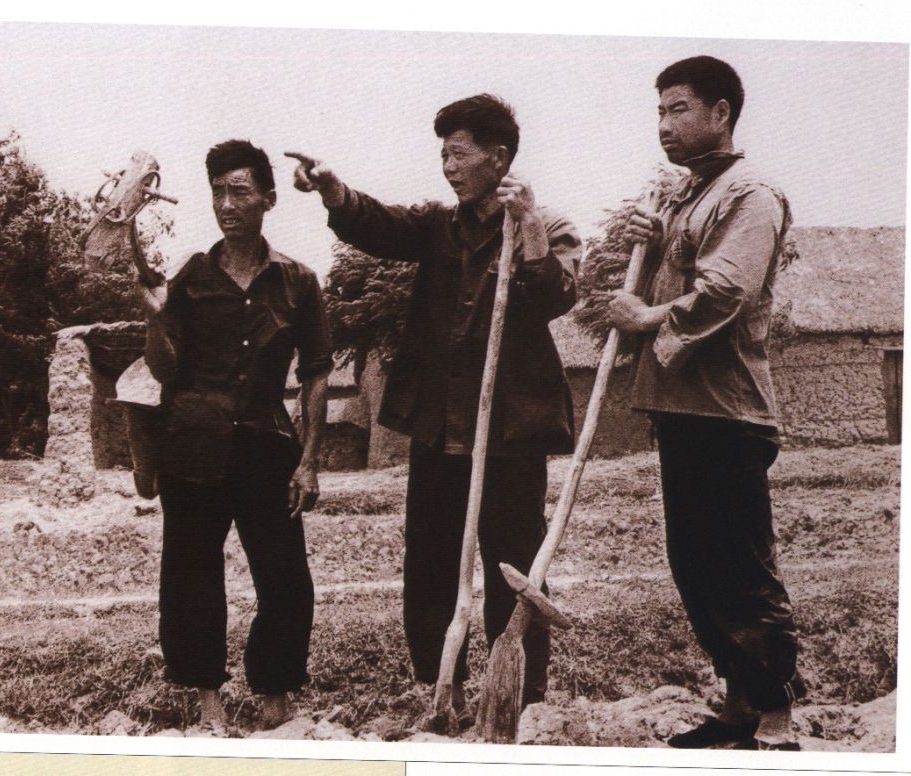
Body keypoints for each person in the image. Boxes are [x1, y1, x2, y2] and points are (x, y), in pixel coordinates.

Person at [286, 94, 581, 720]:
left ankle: (519, 695)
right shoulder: (438, 225)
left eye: (459, 154)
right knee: (430, 561)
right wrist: (334, 190)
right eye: (443, 154)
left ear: (498, 158)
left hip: (508, 431)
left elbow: (554, 298)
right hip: (439, 426)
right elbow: (379, 225)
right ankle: (440, 687)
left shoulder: (547, 225)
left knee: (514, 561)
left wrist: (528, 227)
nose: (448, 167)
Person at [607, 56, 805, 750]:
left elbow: (726, 290)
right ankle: (737, 705)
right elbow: (681, 277)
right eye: (659, 112)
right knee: (695, 564)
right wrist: (655, 243)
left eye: (679, 109)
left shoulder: (750, 194)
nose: (665, 124)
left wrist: (644, 317)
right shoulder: (687, 199)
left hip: (729, 411)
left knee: (740, 565)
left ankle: (775, 713)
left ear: (721, 113)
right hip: (684, 408)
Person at [137, 139, 332, 732]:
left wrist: (308, 461)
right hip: (191, 447)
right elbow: (163, 369)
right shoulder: (189, 278)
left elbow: (316, 373)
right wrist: (154, 316)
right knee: (192, 577)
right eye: (218, 192)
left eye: (239, 191)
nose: (226, 204)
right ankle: (208, 705)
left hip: (266, 448)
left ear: (268, 199)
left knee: (286, 579)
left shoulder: (298, 282)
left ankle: (275, 700)